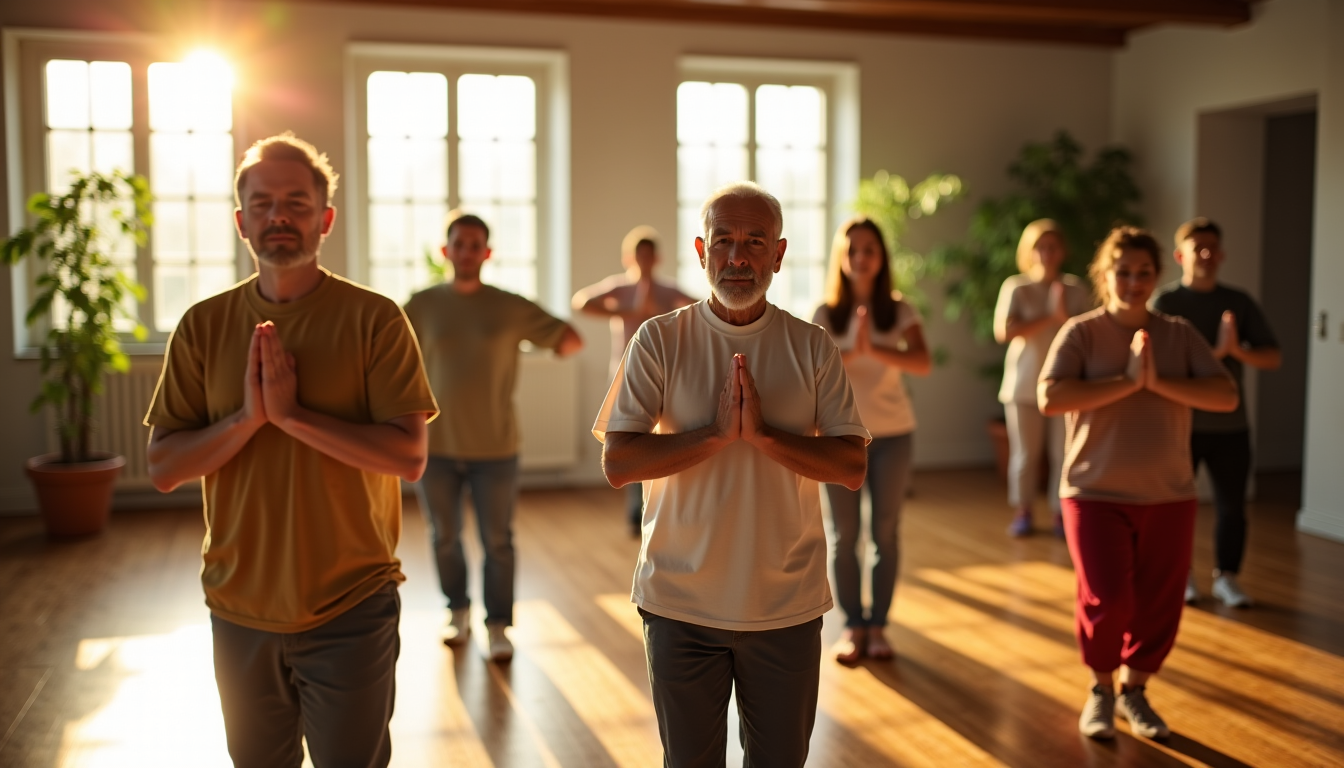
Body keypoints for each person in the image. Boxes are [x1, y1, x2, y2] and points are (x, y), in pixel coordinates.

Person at [144, 133, 439, 768]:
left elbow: (408, 455)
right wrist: (252, 419)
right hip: (238, 607)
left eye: (297, 203)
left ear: (325, 218)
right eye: (262, 202)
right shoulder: (202, 324)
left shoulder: (375, 319)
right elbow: (164, 467)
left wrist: (294, 416)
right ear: (241, 220)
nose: (279, 215)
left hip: (351, 604)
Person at [594, 182, 869, 767]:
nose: (738, 257)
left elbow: (851, 465)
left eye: (754, 242)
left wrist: (765, 436)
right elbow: (619, 462)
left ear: (779, 253)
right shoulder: (660, 340)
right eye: (723, 241)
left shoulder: (811, 346)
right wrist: (717, 436)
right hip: (678, 604)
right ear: (700, 250)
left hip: (785, 608)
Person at [1039, 226, 1237, 741]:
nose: (1132, 281)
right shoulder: (1081, 332)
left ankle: (1135, 690)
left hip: (1169, 492)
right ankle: (1101, 691)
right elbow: (1050, 397)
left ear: (1157, 275)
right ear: (1105, 275)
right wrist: (1126, 382)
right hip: (1093, 491)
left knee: (1160, 604)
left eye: (1143, 272)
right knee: (1108, 600)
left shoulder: (1177, 334)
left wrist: (1155, 382)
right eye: (1122, 271)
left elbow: (1225, 395)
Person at [404, 211, 583, 662]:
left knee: (497, 541)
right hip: (435, 445)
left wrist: (549, 345)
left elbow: (570, 340)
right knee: (443, 535)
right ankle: (457, 613)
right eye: (458, 244)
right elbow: (385, 354)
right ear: (445, 251)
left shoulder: (509, 306)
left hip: (496, 448)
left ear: (487, 253)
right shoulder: (421, 305)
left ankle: (498, 625)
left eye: (475, 245)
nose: (466, 252)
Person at [811, 217, 931, 664]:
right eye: (853, 250)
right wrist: (852, 351)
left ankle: (878, 626)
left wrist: (872, 349)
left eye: (870, 250)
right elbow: (810, 371)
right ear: (841, 258)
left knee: (885, 533)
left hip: (894, 433)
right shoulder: (824, 313)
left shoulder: (899, 310)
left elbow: (921, 362)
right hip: (838, 437)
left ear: (882, 259)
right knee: (844, 536)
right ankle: (852, 625)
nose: (861, 257)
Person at [1152, 218, 1281, 608]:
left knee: (1232, 506)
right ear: (1181, 256)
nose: (1206, 255)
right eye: (1198, 248)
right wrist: (1216, 353)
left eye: (1213, 249)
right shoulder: (1166, 303)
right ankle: (1182, 576)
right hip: (1180, 424)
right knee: (1176, 505)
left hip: (1231, 425)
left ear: (1222, 255)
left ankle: (1228, 577)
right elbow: (1155, 363)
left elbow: (1272, 356)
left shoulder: (1238, 301)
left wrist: (1235, 350)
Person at [572, 226, 695, 536]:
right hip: (626, 377)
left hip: (667, 377)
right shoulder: (620, 288)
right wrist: (624, 311)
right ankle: (635, 514)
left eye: (649, 254)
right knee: (628, 442)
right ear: (630, 257)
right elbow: (582, 302)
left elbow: (702, 307)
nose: (645, 259)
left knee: (665, 439)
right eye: (640, 254)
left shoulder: (668, 291)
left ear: (658, 258)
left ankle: (667, 507)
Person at [993, 219, 1093, 538]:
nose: (1047, 253)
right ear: (1030, 251)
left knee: (1063, 454)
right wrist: (1050, 316)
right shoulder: (1016, 287)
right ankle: (1023, 510)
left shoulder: (1076, 289)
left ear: (1062, 250)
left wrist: (1064, 319)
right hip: (1023, 386)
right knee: (1025, 454)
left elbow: (1089, 333)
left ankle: (1058, 513)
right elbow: (1004, 331)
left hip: (1065, 386)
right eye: (1040, 247)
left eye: (1053, 246)